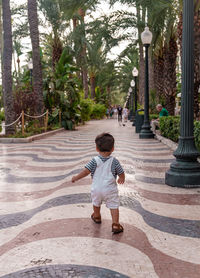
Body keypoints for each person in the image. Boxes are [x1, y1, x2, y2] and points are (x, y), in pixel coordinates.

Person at [71, 133, 125, 234]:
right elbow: (121, 172)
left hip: (96, 189)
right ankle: (116, 224)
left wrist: (76, 178)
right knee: (114, 206)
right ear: (113, 148)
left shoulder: (94, 161)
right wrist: (122, 178)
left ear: (96, 148)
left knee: (96, 203)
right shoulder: (115, 161)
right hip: (110, 189)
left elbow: (85, 171)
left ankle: (96, 216)